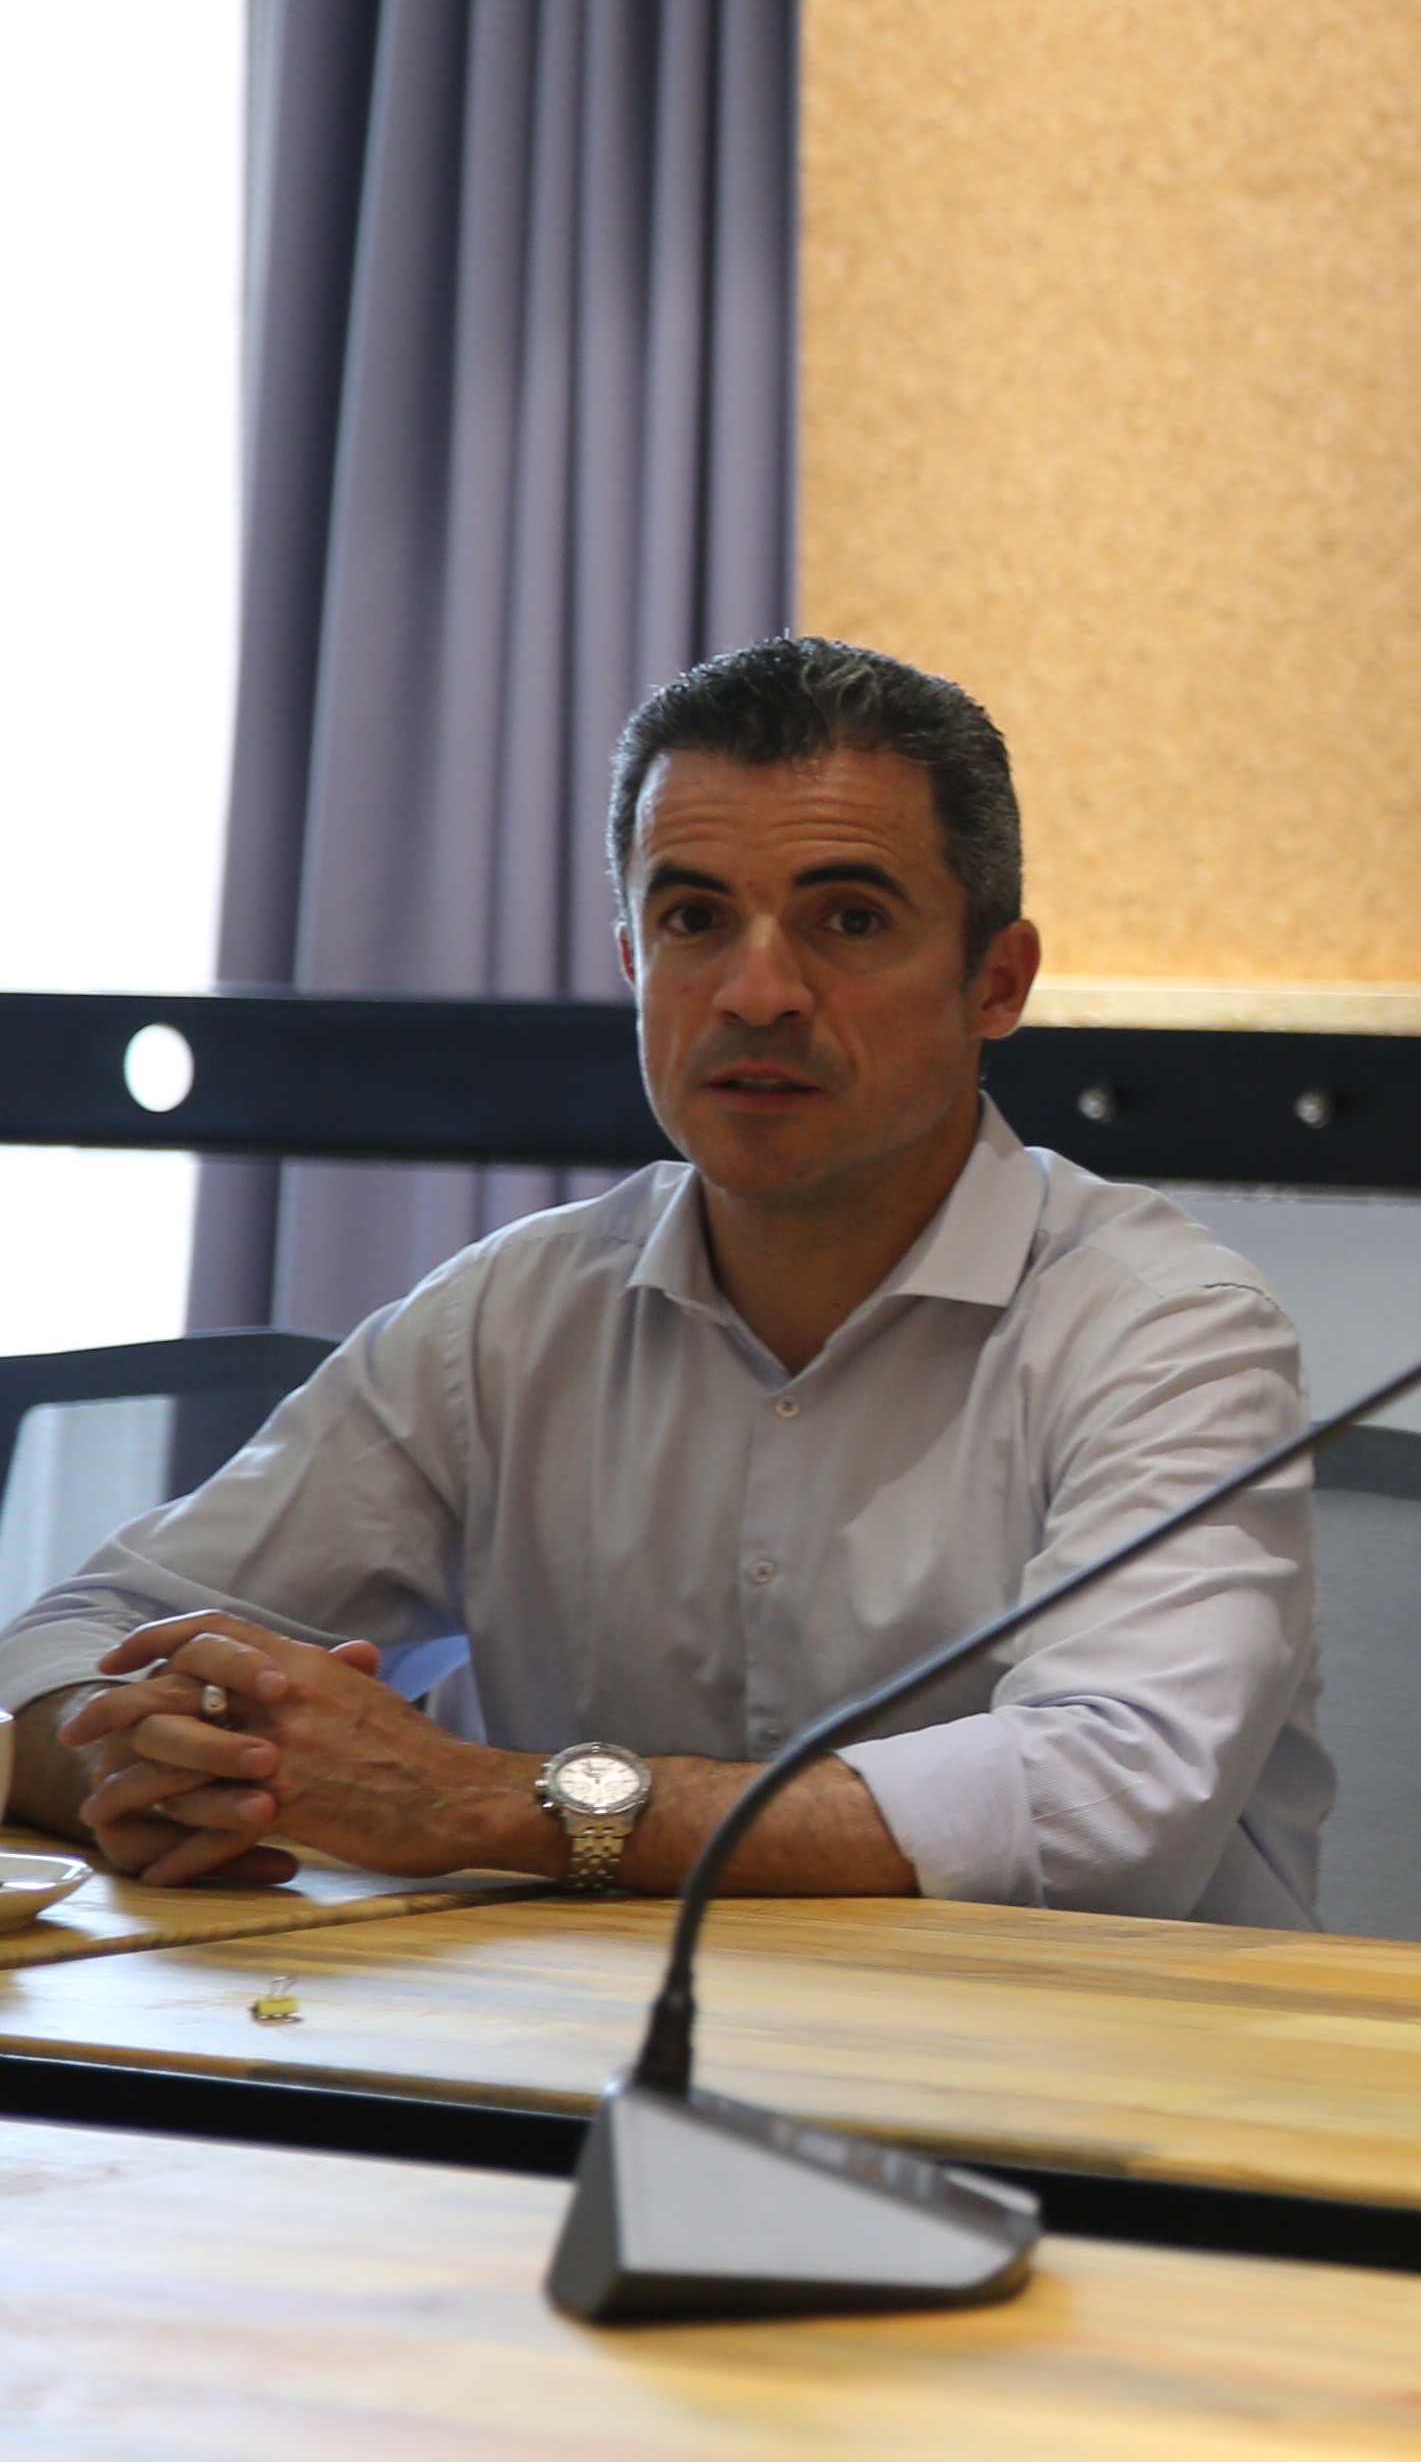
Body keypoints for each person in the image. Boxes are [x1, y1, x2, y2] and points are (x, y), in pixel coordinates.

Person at [0, 638, 1330, 1924]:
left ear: (997, 981)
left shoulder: (1165, 1331)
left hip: (1070, 2063)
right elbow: (78, 1637)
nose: (758, 991)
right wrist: (162, 1762)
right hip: (593, 2047)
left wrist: (482, 1803)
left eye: (849, 919)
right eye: (694, 919)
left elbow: (1107, 1803)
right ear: (636, 963)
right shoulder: (507, 1318)